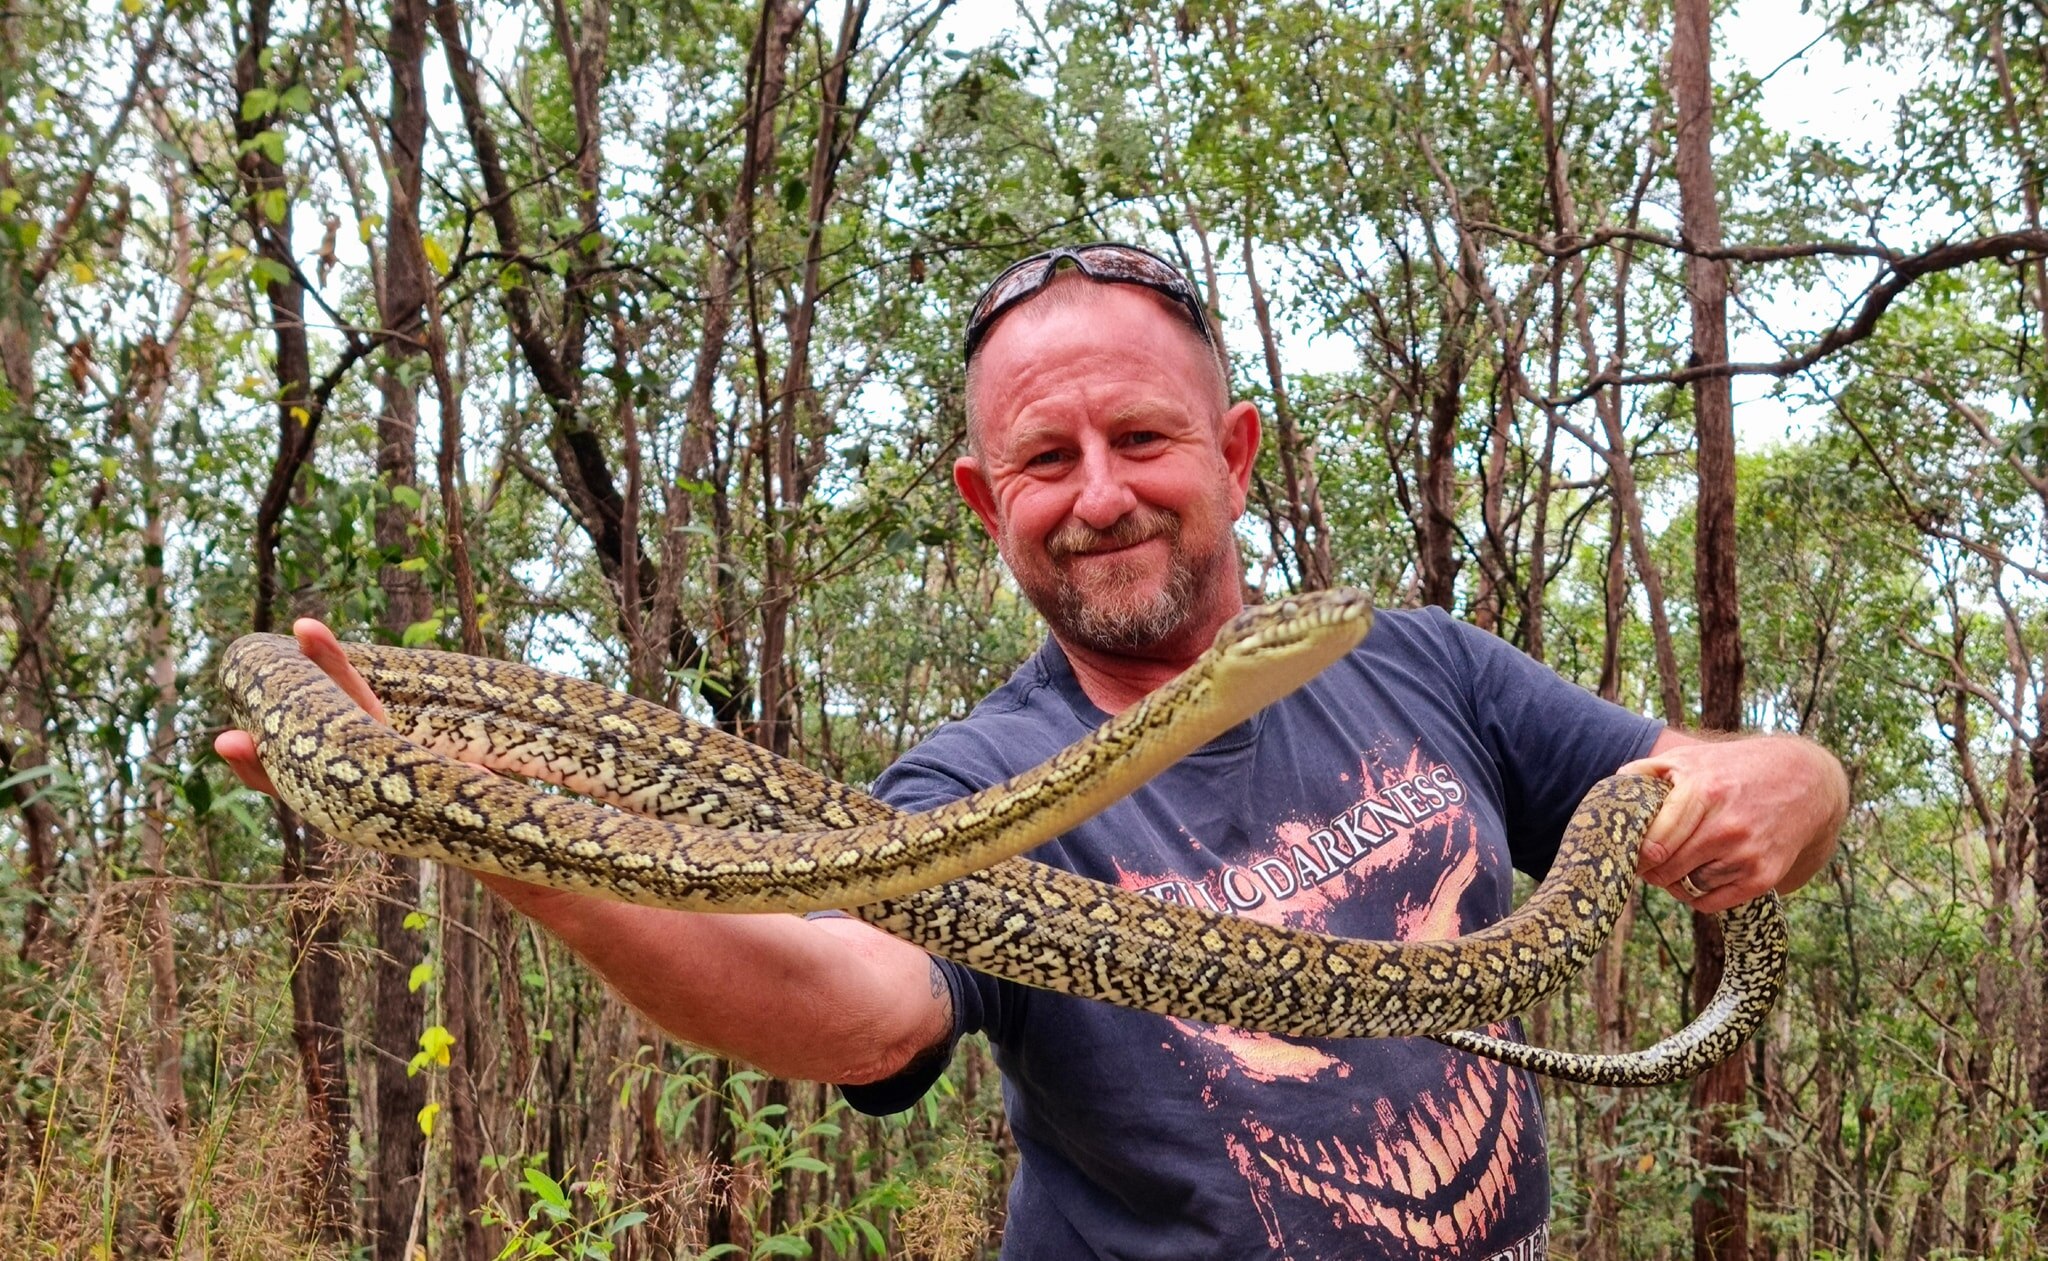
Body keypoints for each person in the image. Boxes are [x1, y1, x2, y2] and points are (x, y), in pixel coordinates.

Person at [219, 242, 1845, 1259]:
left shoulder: (1411, 657)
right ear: (989, 505)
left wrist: (1796, 778)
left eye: (1141, 437)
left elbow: (1701, 775)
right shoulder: (965, 790)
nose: (1102, 490)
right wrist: (525, 845)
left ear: (1234, 453)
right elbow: (856, 1007)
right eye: (1045, 458)